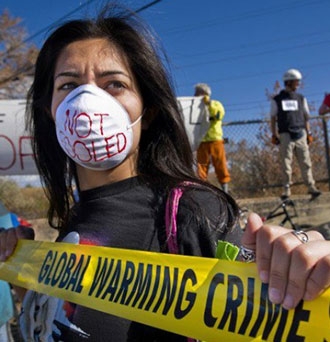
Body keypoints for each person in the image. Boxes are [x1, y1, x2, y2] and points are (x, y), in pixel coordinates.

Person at [0, 5, 329, 341]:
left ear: (149, 108)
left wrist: (302, 270)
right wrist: (27, 272)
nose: (88, 102)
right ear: (49, 111)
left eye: (114, 83)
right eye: (68, 85)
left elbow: (275, 313)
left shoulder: (191, 213)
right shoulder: (71, 224)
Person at [270, 68, 321, 199]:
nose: (298, 84)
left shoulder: (301, 98)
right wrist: (274, 134)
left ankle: (311, 187)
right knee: (286, 163)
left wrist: (308, 132)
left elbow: (306, 116)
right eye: (296, 82)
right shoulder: (277, 99)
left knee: (306, 162)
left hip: (301, 134)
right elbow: (273, 118)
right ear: (289, 82)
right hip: (285, 134)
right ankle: (286, 190)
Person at [195, 83, 231, 193]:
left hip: (215, 140)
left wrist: (208, 104)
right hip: (201, 140)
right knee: (201, 167)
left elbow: (219, 115)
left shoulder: (215, 104)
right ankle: (202, 191)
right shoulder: (195, 108)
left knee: (220, 164)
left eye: (197, 93)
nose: (195, 96)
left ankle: (225, 190)